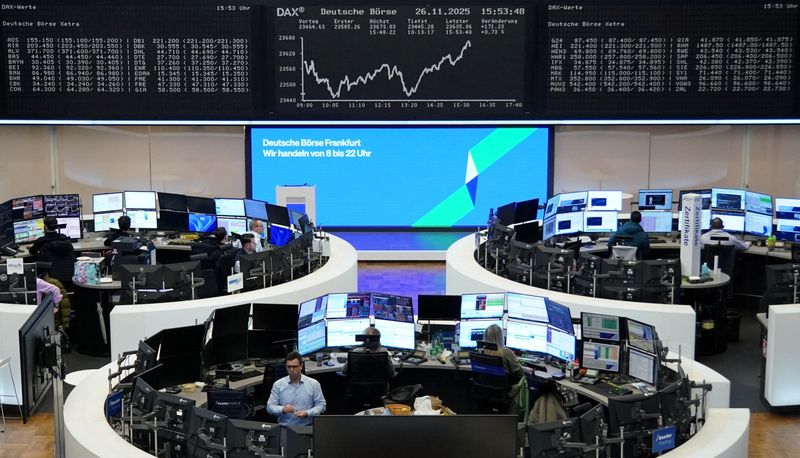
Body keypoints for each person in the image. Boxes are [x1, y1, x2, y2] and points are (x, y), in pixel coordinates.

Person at [267, 351, 326, 427]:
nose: (291, 370)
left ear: (301, 366)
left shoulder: (313, 384)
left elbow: (321, 406)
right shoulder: (278, 385)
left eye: (294, 366)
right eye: (289, 367)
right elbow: (269, 407)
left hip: (307, 427)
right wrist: (282, 409)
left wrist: (307, 413)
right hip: (285, 428)